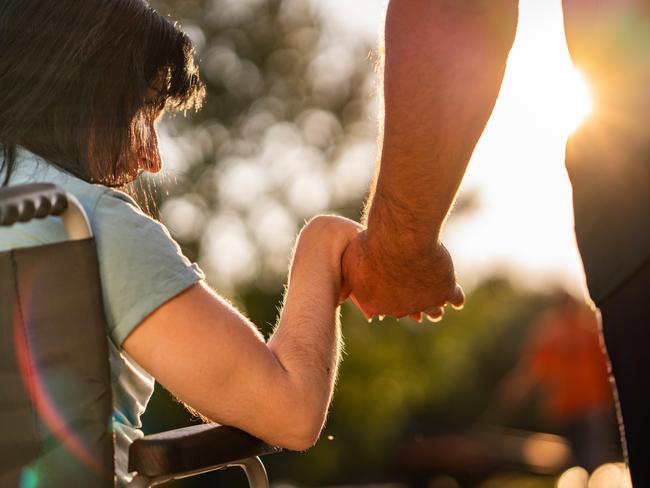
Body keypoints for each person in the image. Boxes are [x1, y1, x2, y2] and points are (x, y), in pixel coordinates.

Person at [0, 1, 361, 485]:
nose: (151, 158)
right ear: (88, 92)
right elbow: (290, 411)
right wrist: (324, 242)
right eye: (144, 112)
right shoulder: (80, 220)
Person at [341, 0, 649, 485]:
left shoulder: (573, 329)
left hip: (636, 189)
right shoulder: (558, 330)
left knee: (591, 463)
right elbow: (533, 369)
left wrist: (402, 247)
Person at [496, 292, 616, 471]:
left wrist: (612, 399)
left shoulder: (589, 330)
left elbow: (606, 367)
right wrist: (515, 388)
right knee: (572, 461)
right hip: (565, 408)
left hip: (591, 405)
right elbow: (533, 367)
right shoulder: (552, 334)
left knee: (594, 458)